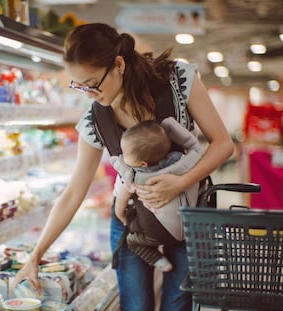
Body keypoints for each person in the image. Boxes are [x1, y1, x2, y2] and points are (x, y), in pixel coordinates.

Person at [12, 23, 234, 311]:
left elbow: (222, 143)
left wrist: (181, 181)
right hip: (133, 223)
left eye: (92, 83)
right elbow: (73, 192)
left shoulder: (178, 79)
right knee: (135, 305)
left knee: (177, 305)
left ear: (118, 64)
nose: (89, 94)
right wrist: (35, 256)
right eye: (79, 86)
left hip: (188, 214)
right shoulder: (96, 121)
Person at [111, 117, 202, 273]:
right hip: (187, 227)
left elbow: (122, 200)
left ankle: (158, 260)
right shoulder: (182, 162)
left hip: (155, 234)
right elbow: (195, 147)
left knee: (132, 241)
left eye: (125, 155)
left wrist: (121, 215)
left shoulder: (133, 176)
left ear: (142, 164)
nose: (122, 157)